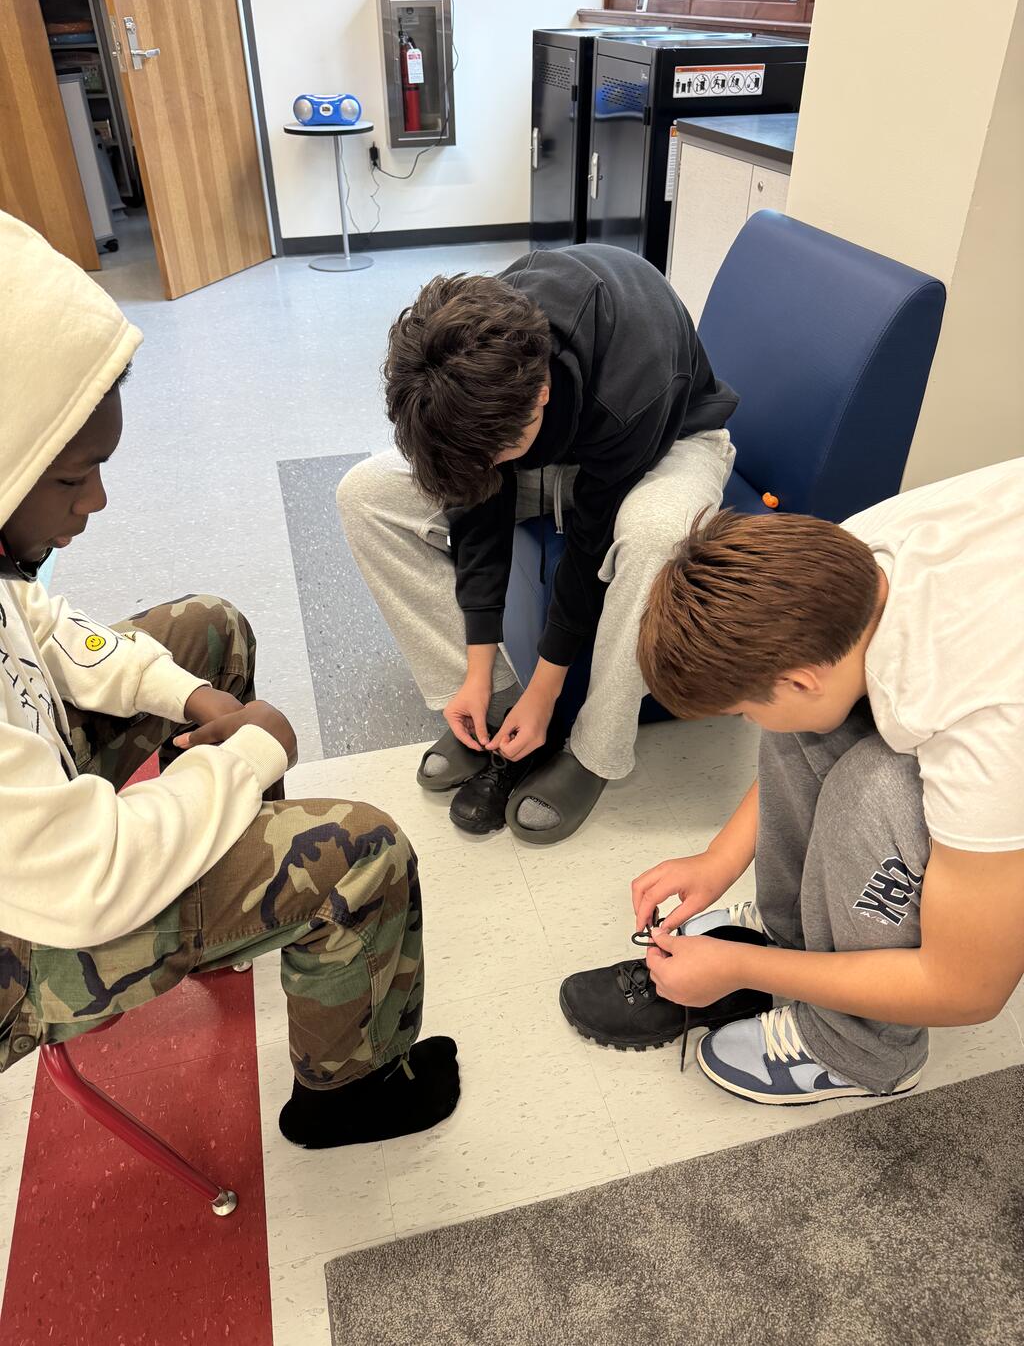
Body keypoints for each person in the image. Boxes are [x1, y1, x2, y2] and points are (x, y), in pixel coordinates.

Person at [0, 210, 459, 1149]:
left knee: (209, 633)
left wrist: (191, 699)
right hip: (32, 931)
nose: (97, 500)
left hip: (38, 823)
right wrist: (248, 754)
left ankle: (230, 911)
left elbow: (39, 623)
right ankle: (346, 1097)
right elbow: (88, 871)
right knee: (361, 854)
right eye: (74, 478)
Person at [560, 463, 1024, 1103]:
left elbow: (969, 989)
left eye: (739, 713)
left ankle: (863, 1048)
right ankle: (798, 936)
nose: (746, 723)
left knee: (876, 792)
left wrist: (742, 968)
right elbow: (803, 704)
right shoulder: (857, 553)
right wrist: (718, 859)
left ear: (802, 680)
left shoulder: (988, 723)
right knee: (806, 722)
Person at [338, 244, 738, 844]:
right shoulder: (479, 337)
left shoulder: (633, 377)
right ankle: (492, 704)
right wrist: (479, 669)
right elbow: (478, 495)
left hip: (665, 442)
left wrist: (546, 690)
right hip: (545, 451)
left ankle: (595, 752)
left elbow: (590, 543)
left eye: (498, 453)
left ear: (542, 391)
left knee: (655, 535)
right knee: (364, 493)